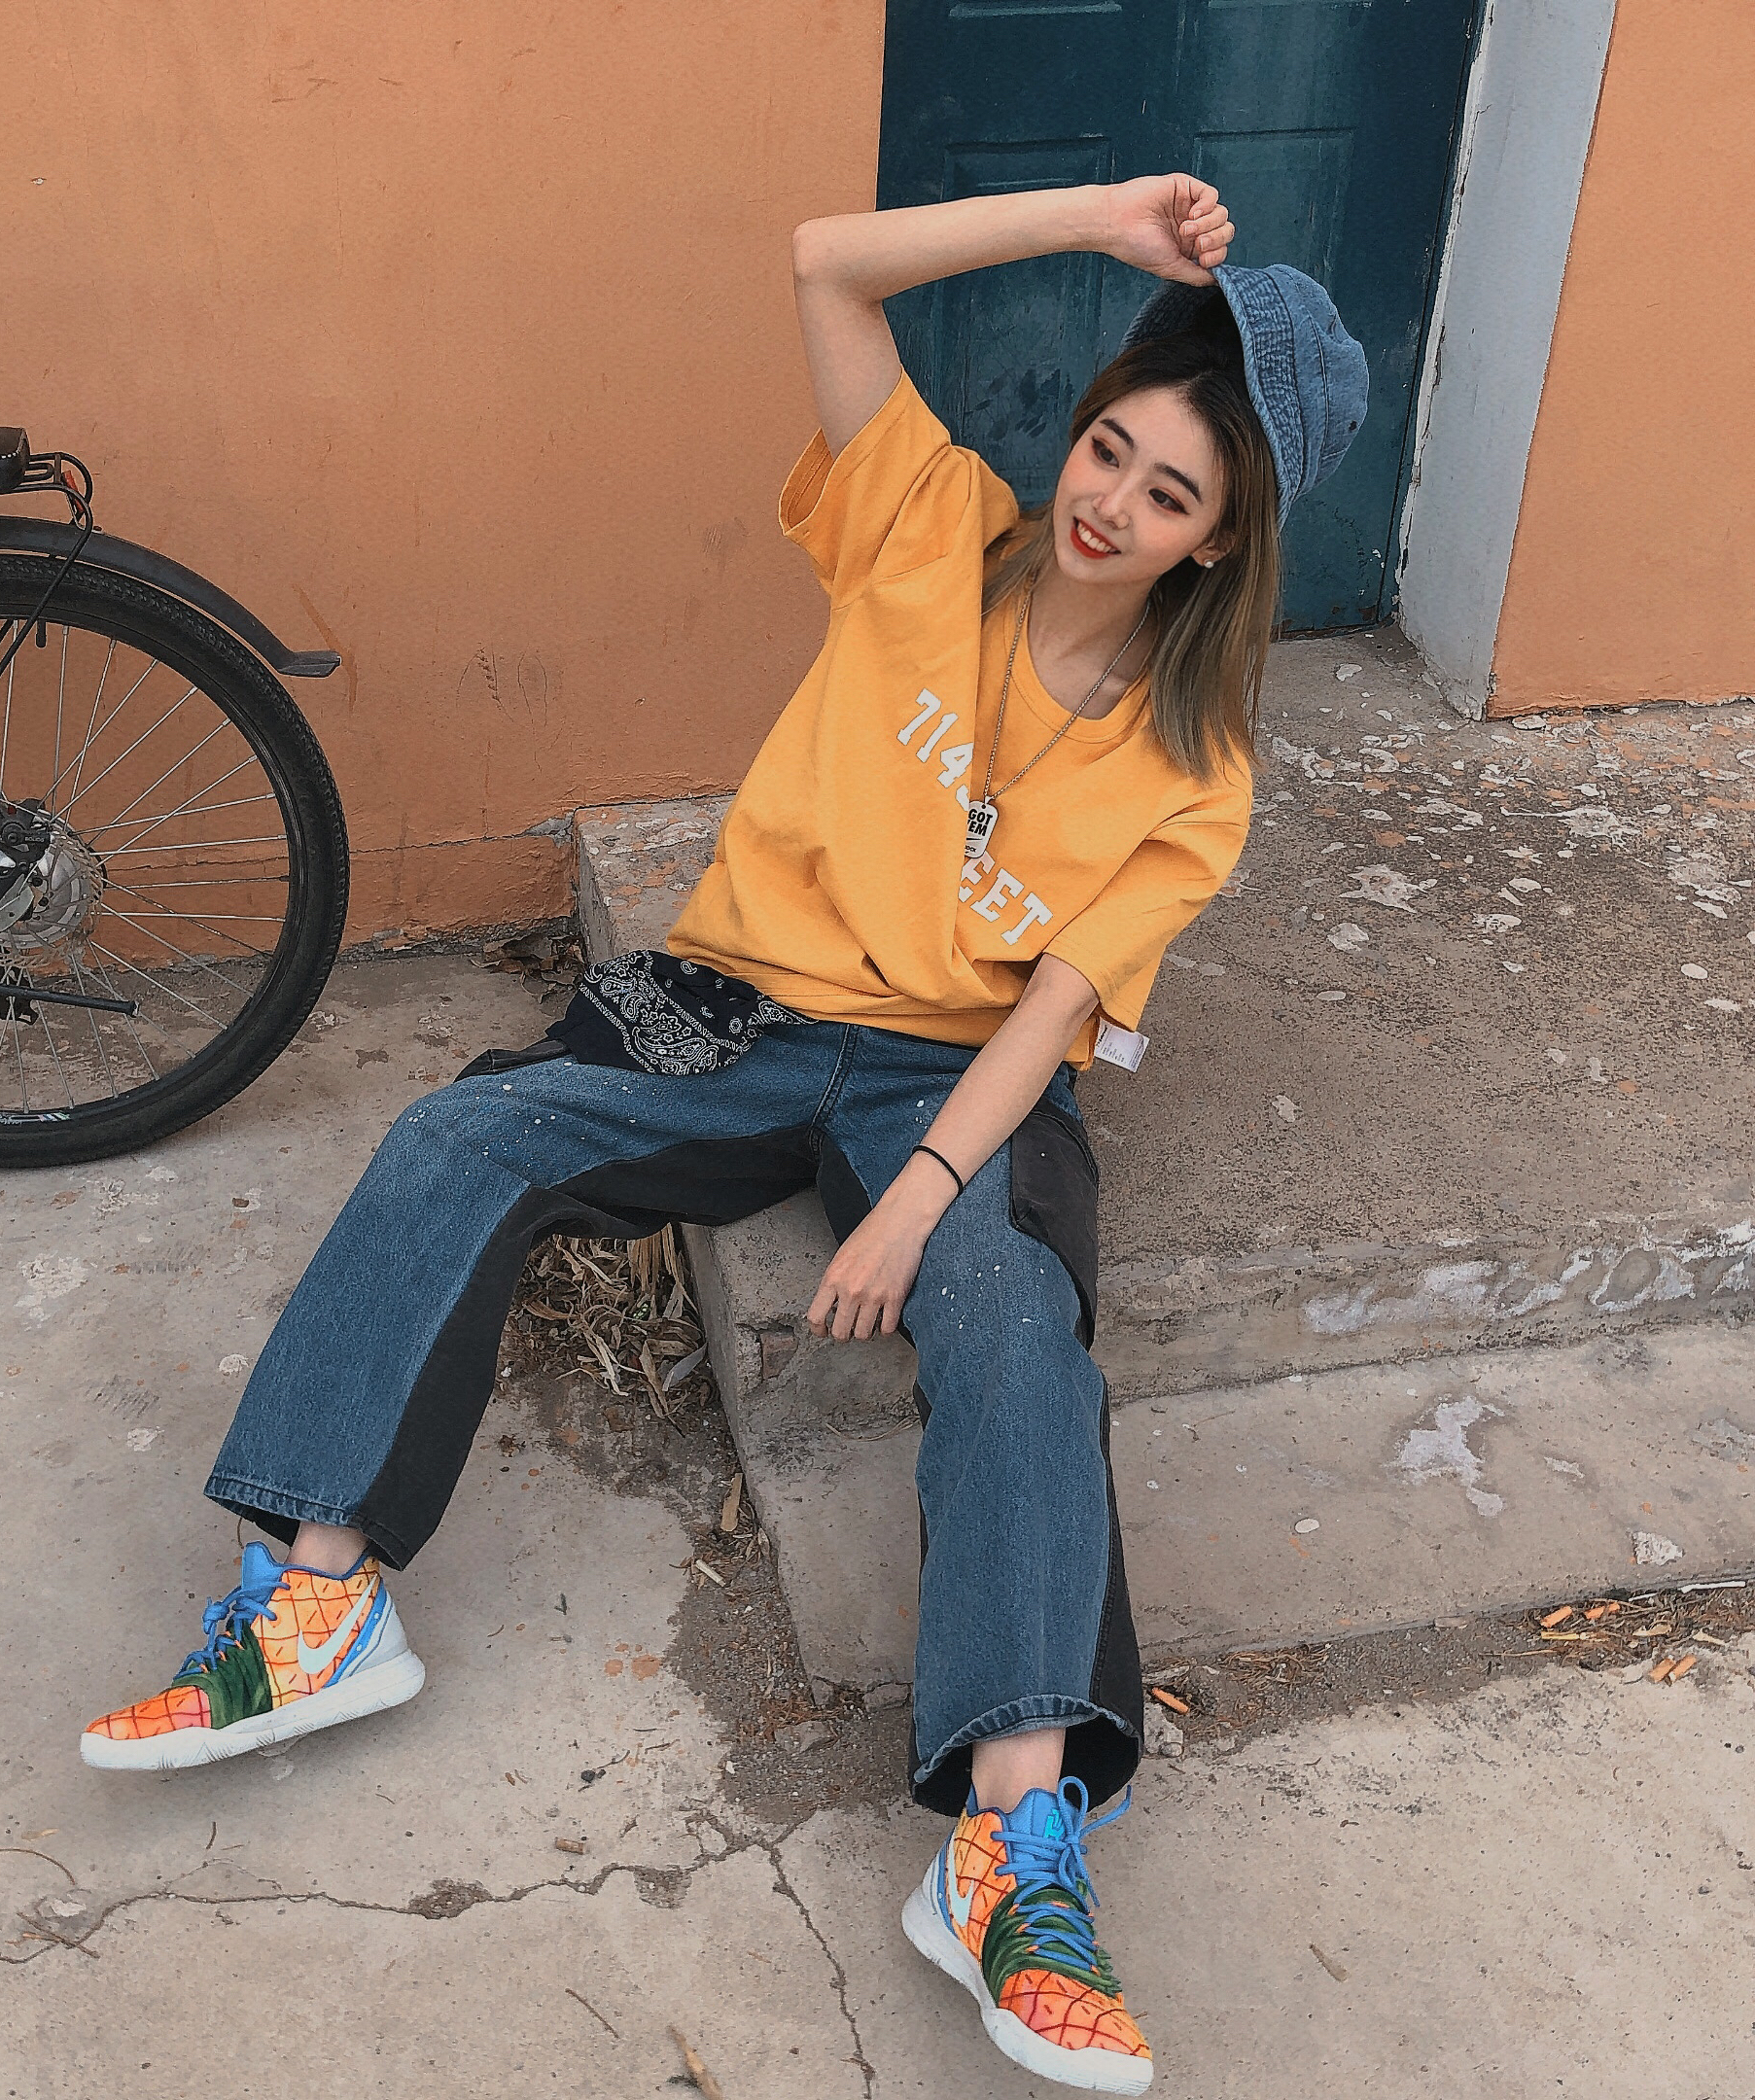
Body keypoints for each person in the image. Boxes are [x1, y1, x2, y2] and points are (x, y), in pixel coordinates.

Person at [81, 173, 1365, 2093]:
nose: (1108, 501)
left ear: (1219, 540)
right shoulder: (929, 524)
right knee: (460, 1138)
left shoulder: (1196, 770)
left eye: (1167, 493)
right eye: (1108, 446)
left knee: (1017, 1327)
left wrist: (919, 1202)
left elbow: (1049, 1014)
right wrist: (1101, 218)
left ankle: (1012, 1851)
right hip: (744, 1008)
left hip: (952, 1076)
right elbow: (825, 263)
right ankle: (321, 1603)